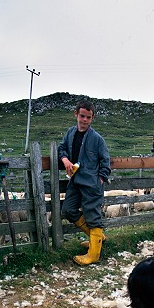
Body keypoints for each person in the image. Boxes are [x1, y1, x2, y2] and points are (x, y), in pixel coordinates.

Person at [58, 100, 111, 265]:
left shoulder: (97, 139)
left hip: (92, 185)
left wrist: (99, 180)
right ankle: (97, 238)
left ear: (92, 118)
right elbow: (61, 148)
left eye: (88, 117)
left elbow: (105, 162)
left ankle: (93, 255)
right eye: (82, 116)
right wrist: (65, 159)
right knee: (67, 210)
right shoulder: (70, 133)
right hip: (75, 182)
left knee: (93, 218)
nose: (84, 120)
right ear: (76, 114)